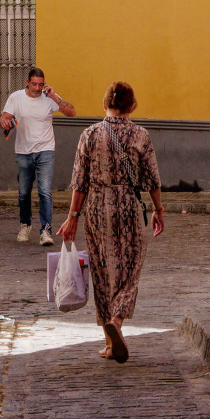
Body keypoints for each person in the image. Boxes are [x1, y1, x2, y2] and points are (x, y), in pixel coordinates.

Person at [56, 80, 164, 363]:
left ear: (104, 104)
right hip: (128, 206)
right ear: (132, 106)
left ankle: (109, 343)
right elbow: (152, 179)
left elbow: (79, 182)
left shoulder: (89, 134)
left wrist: (72, 218)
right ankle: (116, 320)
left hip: (96, 207)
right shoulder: (141, 135)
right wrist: (158, 209)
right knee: (130, 270)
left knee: (102, 271)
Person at [0, 67, 76, 245]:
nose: (37, 88)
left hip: (45, 150)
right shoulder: (16, 97)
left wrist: (55, 97)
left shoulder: (49, 97)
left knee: (45, 192)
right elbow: (5, 117)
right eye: (34, 84)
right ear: (27, 82)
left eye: (40, 84)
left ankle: (46, 230)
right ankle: (25, 225)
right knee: (24, 193)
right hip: (24, 151)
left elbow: (71, 112)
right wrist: (3, 121)